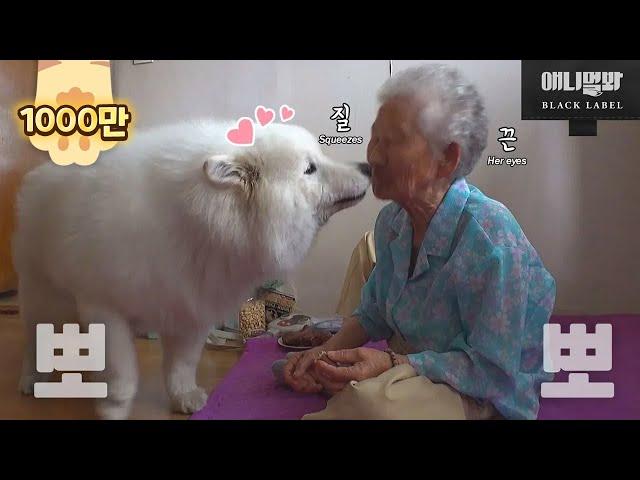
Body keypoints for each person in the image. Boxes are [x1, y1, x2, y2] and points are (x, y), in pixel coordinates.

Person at [283, 63, 556, 420]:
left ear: (447, 159)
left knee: (373, 406)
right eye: (374, 138)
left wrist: (391, 363)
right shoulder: (393, 222)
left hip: (482, 387)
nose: (373, 156)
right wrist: (325, 355)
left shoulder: (492, 242)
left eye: (391, 142)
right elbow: (374, 312)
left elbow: (492, 371)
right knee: (346, 383)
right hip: (417, 360)